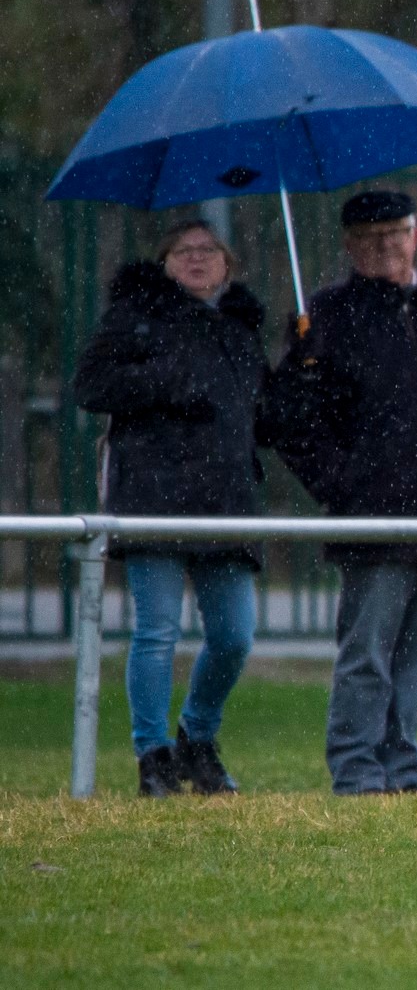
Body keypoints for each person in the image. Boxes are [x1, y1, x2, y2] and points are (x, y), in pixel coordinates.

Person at [267, 190, 417, 796]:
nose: (386, 246)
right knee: (368, 653)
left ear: (416, 236)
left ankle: (401, 764)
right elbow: (291, 422)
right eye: (371, 237)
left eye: (396, 233)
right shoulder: (322, 320)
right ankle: (355, 766)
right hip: (373, 520)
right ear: (350, 246)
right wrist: (342, 484)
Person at [73, 220, 268, 797]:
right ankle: (151, 754)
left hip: (228, 504)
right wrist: (169, 377)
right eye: (184, 250)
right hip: (153, 497)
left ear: (228, 262)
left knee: (234, 636)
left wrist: (306, 372)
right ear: (165, 262)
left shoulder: (240, 331)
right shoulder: (135, 317)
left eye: (209, 249)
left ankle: (197, 738)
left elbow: (269, 415)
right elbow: (91, 387)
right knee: (157, 632)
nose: (198, 259)